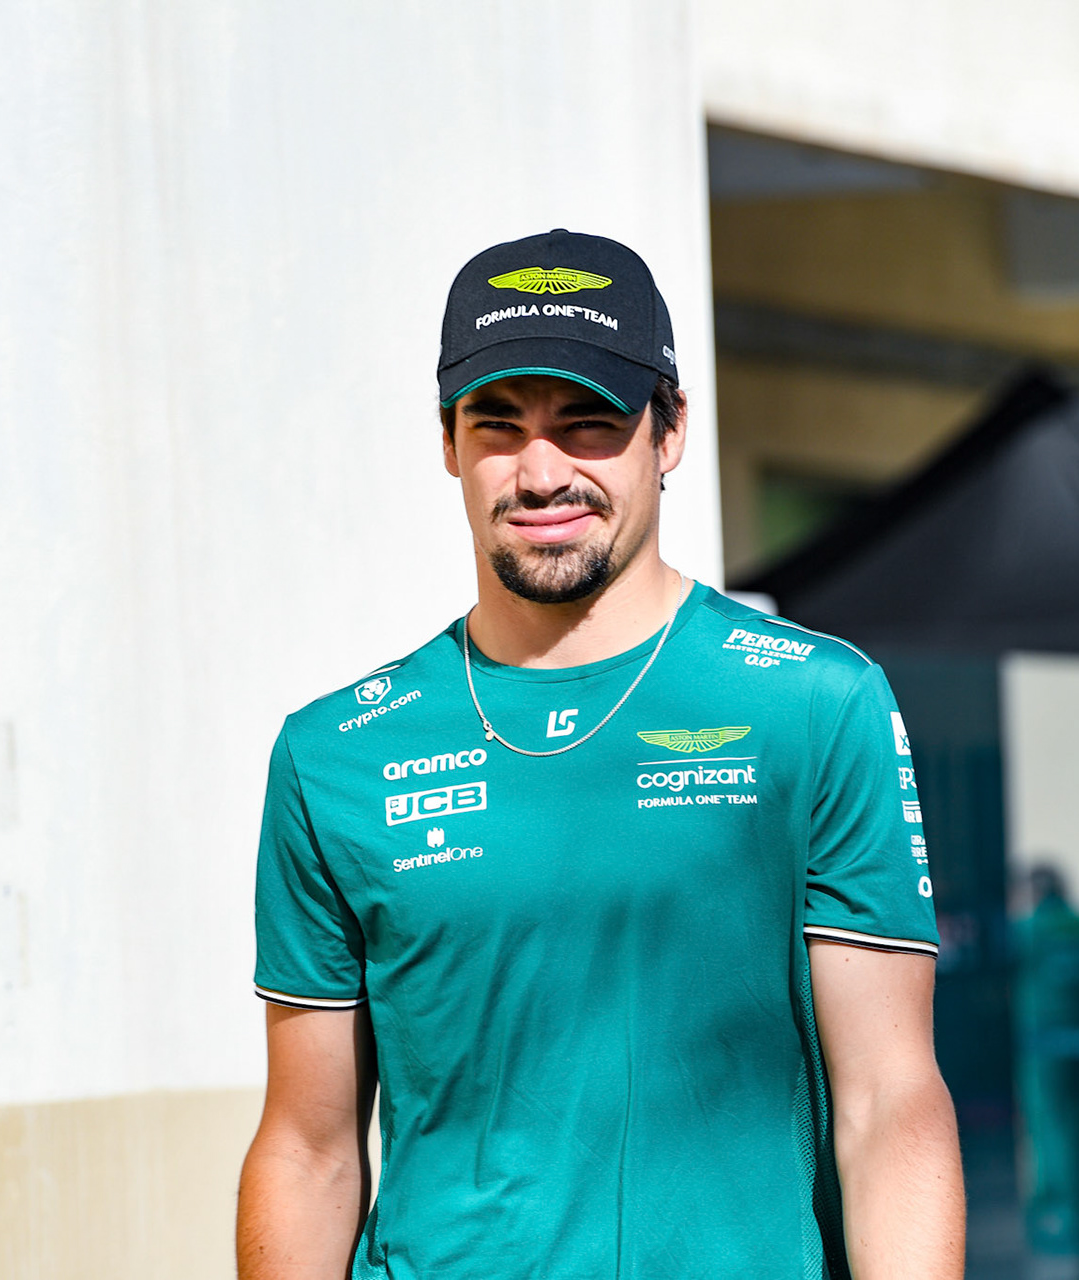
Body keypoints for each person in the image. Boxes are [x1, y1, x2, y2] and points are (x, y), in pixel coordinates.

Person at [237, 229, 964, 1279]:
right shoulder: (335, 753)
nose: (541, 472)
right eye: (499, 425)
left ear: (668, 431)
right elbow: (307, 1147)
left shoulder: (811, 704)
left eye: (587, 424)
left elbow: (888, 1099)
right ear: (448, 440)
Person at [1013, 862, 1079, 1268]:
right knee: (1078, 1128)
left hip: (1041, 1045)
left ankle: (1057, 1218)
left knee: (1048, 1131)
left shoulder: (1029, 930)